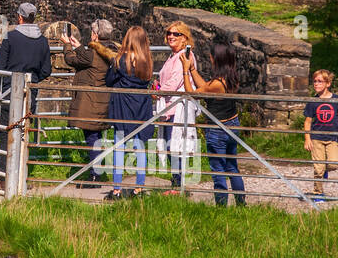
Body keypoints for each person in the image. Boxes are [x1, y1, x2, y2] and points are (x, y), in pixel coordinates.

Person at [182, 42, 245, 206]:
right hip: (232, 124)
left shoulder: (217, 84)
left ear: (217, 59)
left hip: (218, 129)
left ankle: (221, 206)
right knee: (232, 167)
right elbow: (205, 87)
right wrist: (192, 69)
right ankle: (241, 203)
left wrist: (185, 71)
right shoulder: (230, 79)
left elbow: (191, 93)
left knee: (218, 170)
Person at [0, 2, 53, 174]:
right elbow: (46, 70)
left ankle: (5, 176)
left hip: (8, 91)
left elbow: (0, 66)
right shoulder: (42, 41)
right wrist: (33, 80)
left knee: (7, 132)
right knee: (23, 132)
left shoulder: (9, 38)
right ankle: (21, 175)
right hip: (29, 93)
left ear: (19, 17)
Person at [96, 25, 153, 199]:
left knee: (119, 147)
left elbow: (109, 80)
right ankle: (139, 188)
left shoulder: (121, 60)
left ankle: (117, 189)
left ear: (128, 39)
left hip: (123, 107)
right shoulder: (147, 61)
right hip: (142, 106)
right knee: (140, 147)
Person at [65, 19, 115, 187]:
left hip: (90, 102)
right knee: (96, 137)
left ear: (95, 34)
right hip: (103, 101)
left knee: (92, 138)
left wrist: (68, 45)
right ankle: (97, 173)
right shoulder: (112, 51)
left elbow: (72, 60)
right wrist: (79, 46)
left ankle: (95, 176)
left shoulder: (91, 54)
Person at [154, 21, 199, 194]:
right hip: (169, 106)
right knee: (171, 147)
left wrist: (159, 91)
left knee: (176, 147)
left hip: (177, 108)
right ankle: (175, 184)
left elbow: (174, 83)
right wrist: (157, 87)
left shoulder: (184, 56)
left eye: (176, 34)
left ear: (185, 38)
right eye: (169, 33)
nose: (171, 36)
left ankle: (178, 186)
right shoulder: (173, 56)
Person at [303, 69, 338, 203]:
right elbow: (308, 121)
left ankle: (324, 171)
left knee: (334, 164)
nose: (316, 84)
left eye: (320, 81)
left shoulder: (337, 100)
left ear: (328, 83)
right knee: (318, 167)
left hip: (332, 138)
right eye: (315, 81)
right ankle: (318, 193)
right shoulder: (313, 101)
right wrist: (307, 138)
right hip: (316, 138)